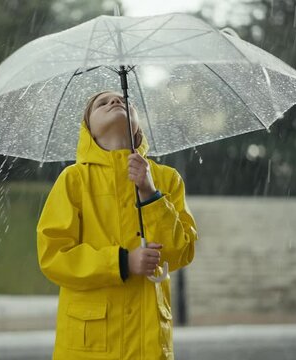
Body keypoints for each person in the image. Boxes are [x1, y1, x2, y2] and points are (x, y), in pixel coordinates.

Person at [37, 90, 198, 360]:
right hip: (90, 348)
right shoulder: (73, 180)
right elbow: (53, 256)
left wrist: (150, 194)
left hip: (149, 346)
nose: (115, 101)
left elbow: (182, 251)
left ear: (137, 124)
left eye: (123, 100)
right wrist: (122, 262)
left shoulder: (166, 179)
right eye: (102, 103)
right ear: (89, 130)